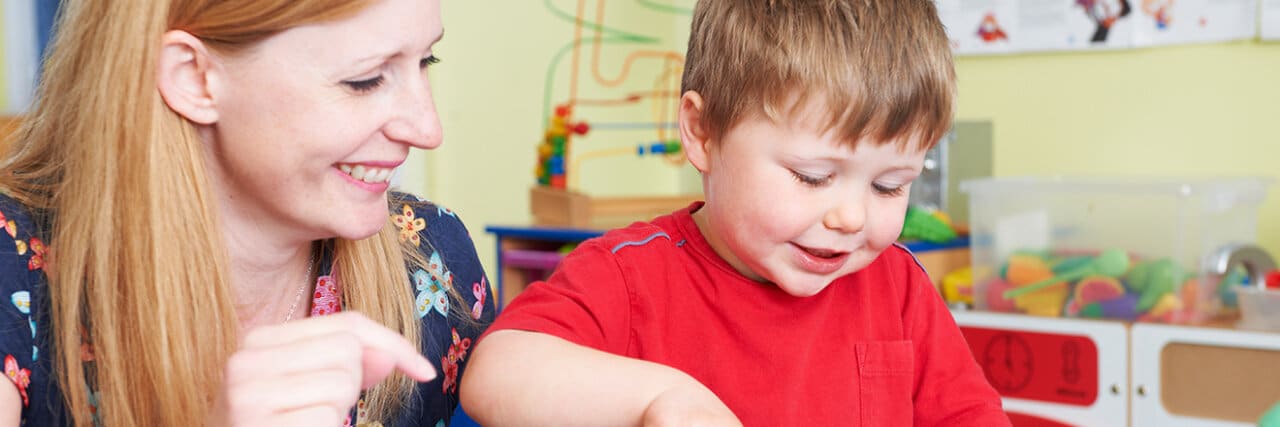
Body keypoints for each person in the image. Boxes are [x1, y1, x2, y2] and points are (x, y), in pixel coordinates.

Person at [461, 0, 1010, 425]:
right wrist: (659, 397)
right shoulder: (629, 277)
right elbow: (495, 374)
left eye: (890, 186)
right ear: (703, 133)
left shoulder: (898, 287)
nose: (852, 217)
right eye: (811, 176)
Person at [0, 0, 494, 425]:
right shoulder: (14, 268)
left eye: (426, 60)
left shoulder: (431, 261)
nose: (428, 130)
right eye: (364, 80)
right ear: (194, 78)